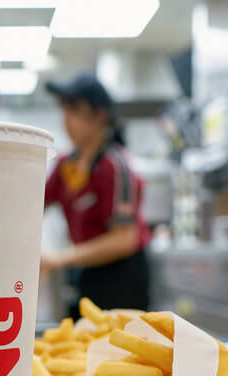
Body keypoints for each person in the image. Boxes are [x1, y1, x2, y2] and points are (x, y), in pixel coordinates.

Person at [42, 74, 151, 317]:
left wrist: (59, 259)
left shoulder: (114, 165)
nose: (66, 119)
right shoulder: (66, 166)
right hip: (88, 270)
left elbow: (125, 239)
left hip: (122, 276)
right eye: (64, 109)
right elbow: (35, 207)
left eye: (74, 110)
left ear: (100, 116)